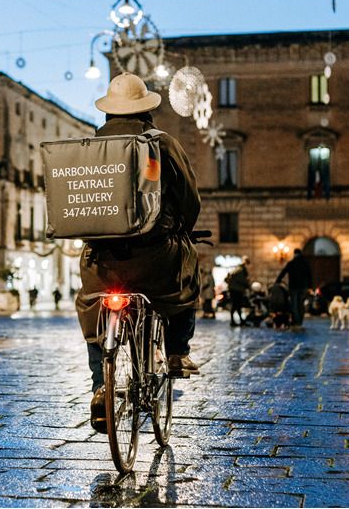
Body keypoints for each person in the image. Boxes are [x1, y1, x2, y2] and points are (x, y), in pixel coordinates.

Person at [75, 73, 201, 434]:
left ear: (108, 114)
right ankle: (177, 352)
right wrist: (182, 228)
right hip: (156, 258)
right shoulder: (162, 144)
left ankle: (101, 385)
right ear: (147, 111)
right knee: (187, 278)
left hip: (102, 263)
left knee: (93, 306)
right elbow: (188, 200)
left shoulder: (86, 148)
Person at [276, 248, 312, 327]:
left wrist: (277, 281)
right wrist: (309, 287)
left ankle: (296, 321)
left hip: (293, 287)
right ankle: (300, 322)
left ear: (295, 254)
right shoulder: (305, 264)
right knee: (300, 305)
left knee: (294, 304)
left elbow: (283, 272)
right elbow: (309, 276)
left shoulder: (291, 263)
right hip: (302, 287)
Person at [229, 257, 251, 326]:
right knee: (236, 305)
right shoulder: (240, 270)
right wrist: (248, 283)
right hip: (236, 290)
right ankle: (236, 321)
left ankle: (239, 320)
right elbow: (242, 281)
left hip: (235, 289)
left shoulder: (238, 269)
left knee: (237, 305)